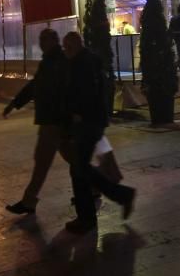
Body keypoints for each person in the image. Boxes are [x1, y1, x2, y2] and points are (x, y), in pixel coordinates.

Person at [61, 31, 136, 235]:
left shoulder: (82, 64)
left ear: (76, 46)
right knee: (80, 168)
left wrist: (78, 113)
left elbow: (87, 93)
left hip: (87, 123)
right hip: (92, 122)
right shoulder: (86, 61)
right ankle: (117, 197)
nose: (65, 51)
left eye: (68, 47)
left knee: (79, 169)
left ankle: (93, 213)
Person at [3, 28, 72, 215]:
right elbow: (35, 86)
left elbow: (59, 90)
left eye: (44, 39)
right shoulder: (49, 61)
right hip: (53, 120)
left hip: (53, 121)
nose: (41, 43)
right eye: (40, 39)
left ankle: (29, 200)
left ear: (54, 41)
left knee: (42, 161)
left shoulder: (58, 61)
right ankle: (95, 187)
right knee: (73, 158)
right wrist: (15, 104)